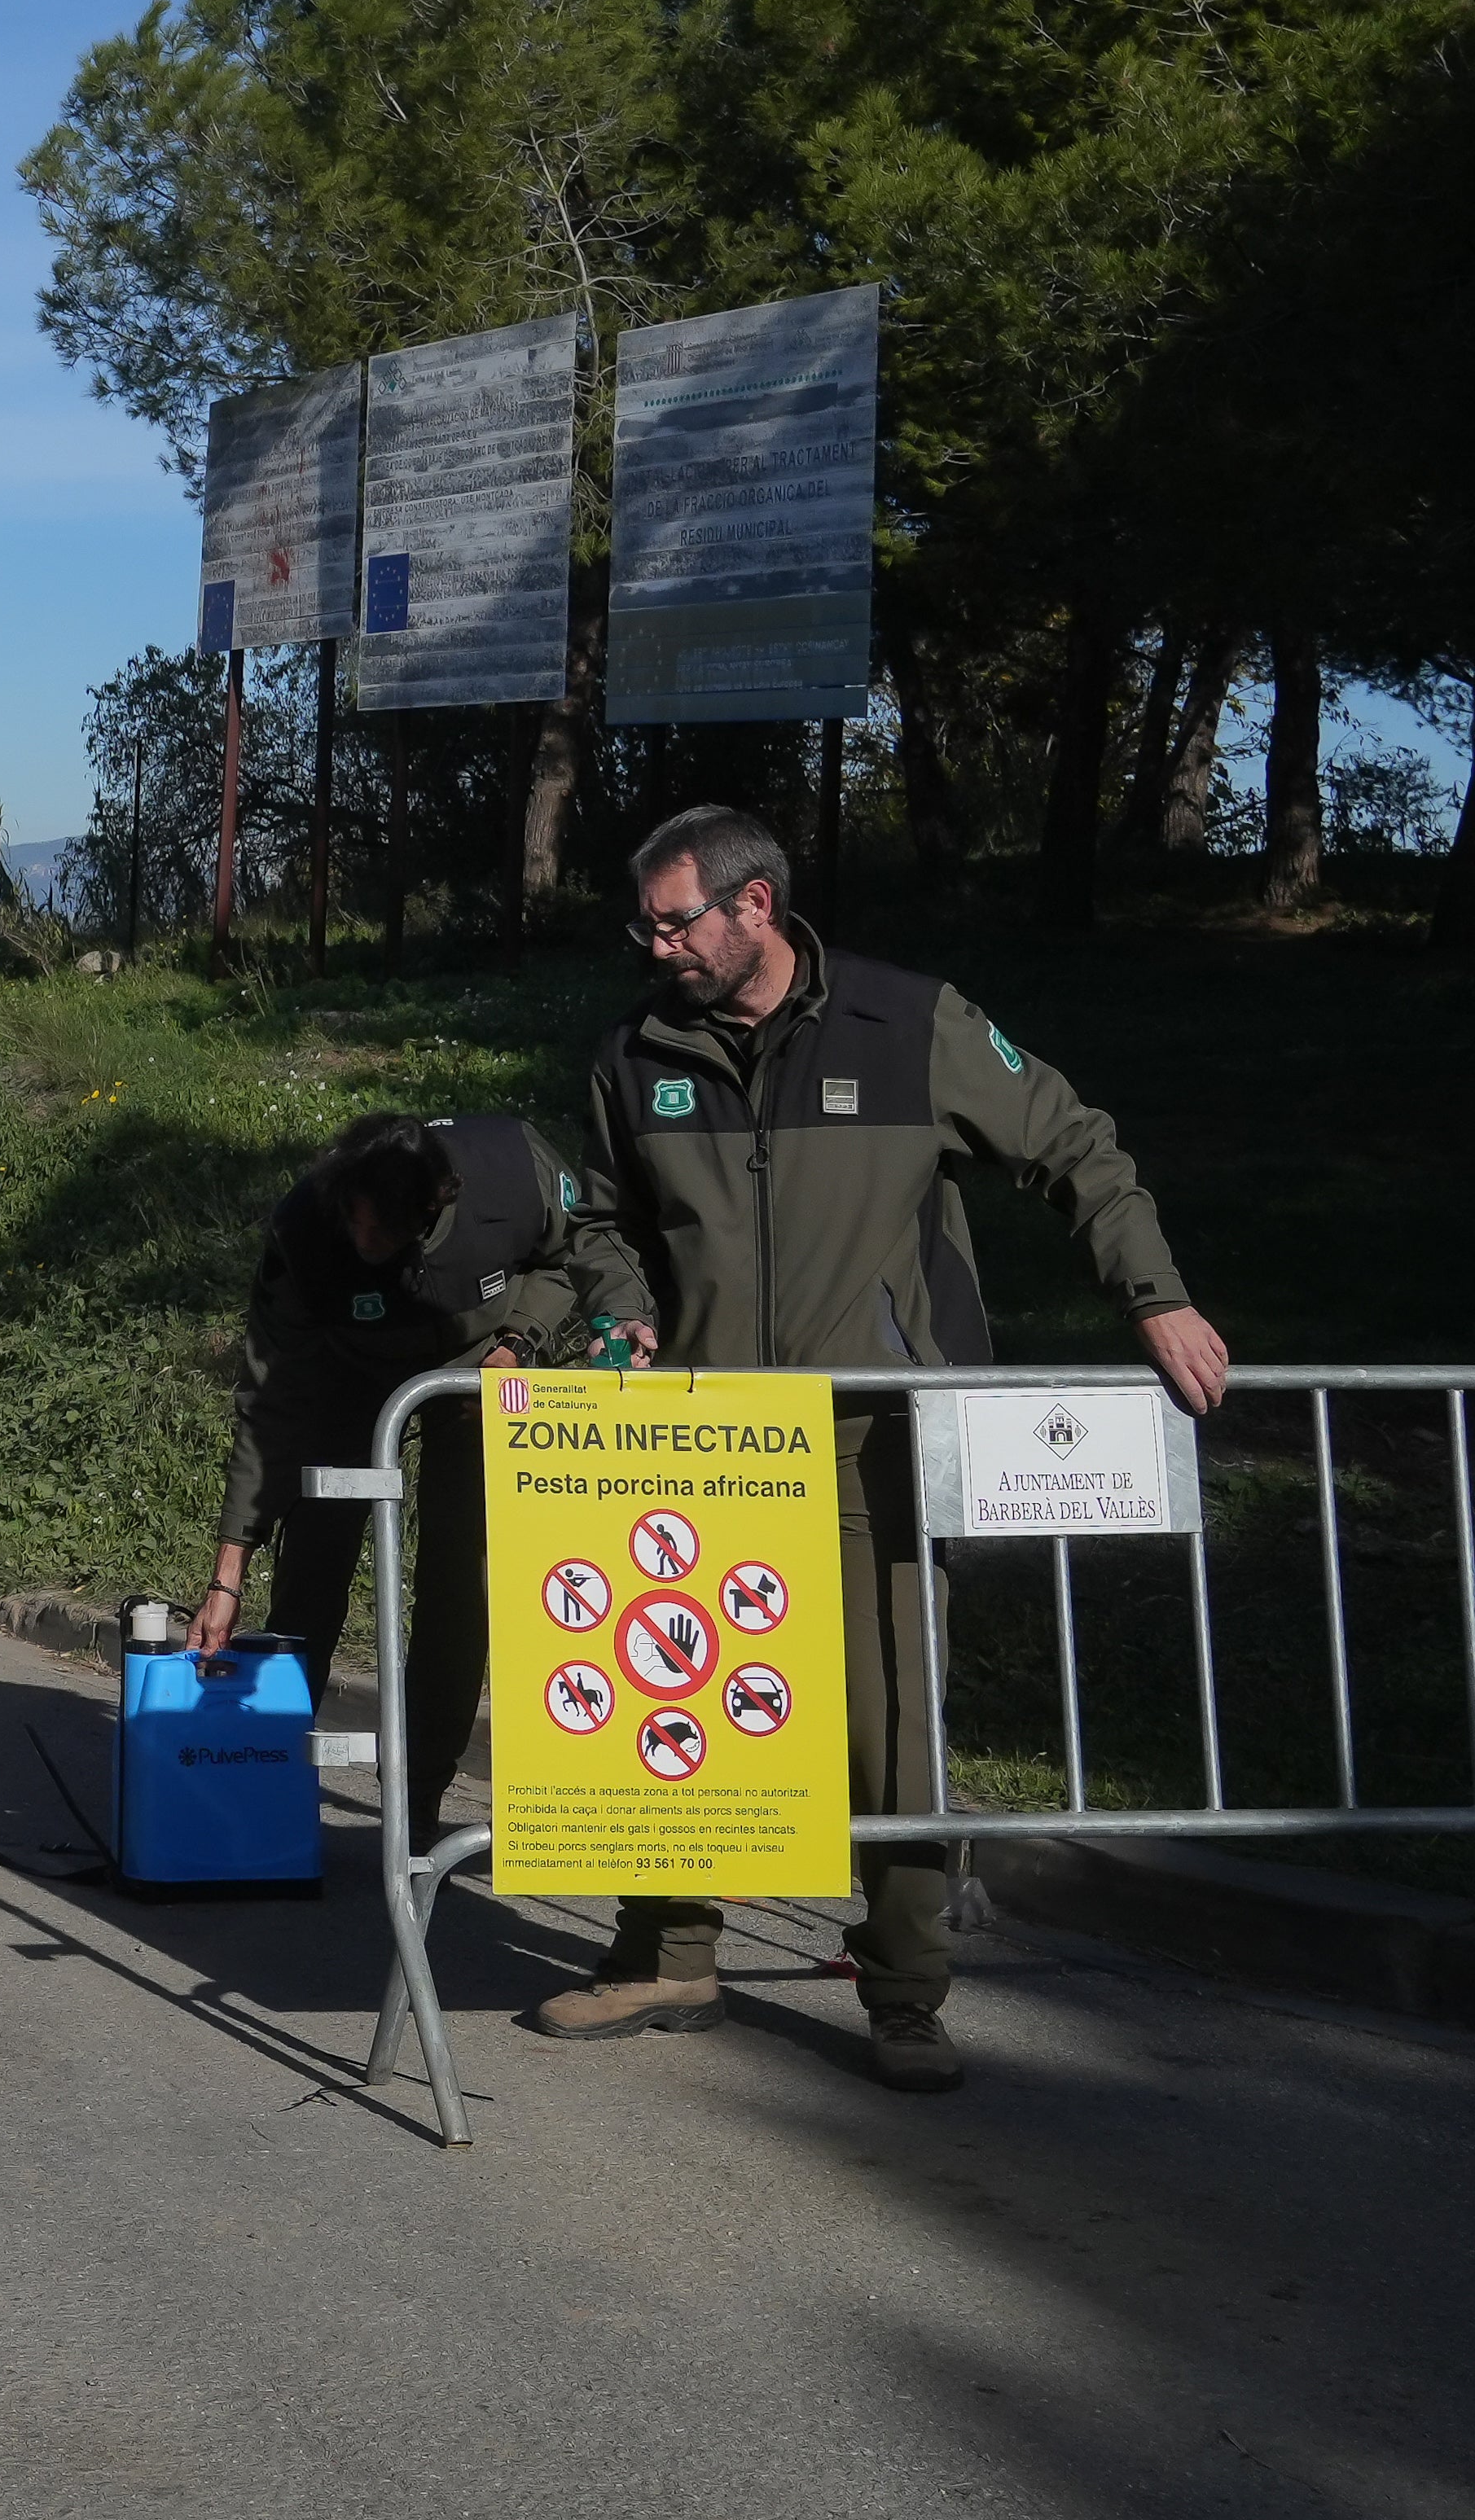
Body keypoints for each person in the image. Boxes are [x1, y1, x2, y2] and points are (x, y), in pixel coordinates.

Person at [532, 803, 1230, 2095]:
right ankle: (668, 1949)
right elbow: (598, 1216)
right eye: (644, 919)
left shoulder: (909, 1023)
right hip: (697, 1445)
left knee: (891, 1725)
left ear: (755, 905)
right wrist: (616, 1299)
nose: (653, 942)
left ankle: (904, 1988)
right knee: (671, 1698)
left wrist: (1155, 1292)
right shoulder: (634, 1053)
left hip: (874, 1438)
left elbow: (1073, 1140)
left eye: (673, 917)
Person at [190, 1113, 649, 1853]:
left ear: (437, 1202)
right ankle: (272, 1776)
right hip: (346, 1374)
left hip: (475, 1371)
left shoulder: (514, 1167)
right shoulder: (308, 1227)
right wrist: (228, 1571)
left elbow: (579, 1249)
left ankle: (420, 1791)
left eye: (380, 1235)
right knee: (312, 1569)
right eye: (354, 1226)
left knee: (457, 1581)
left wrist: (519, 1338)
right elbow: (270, 1400)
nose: (361, 1246)